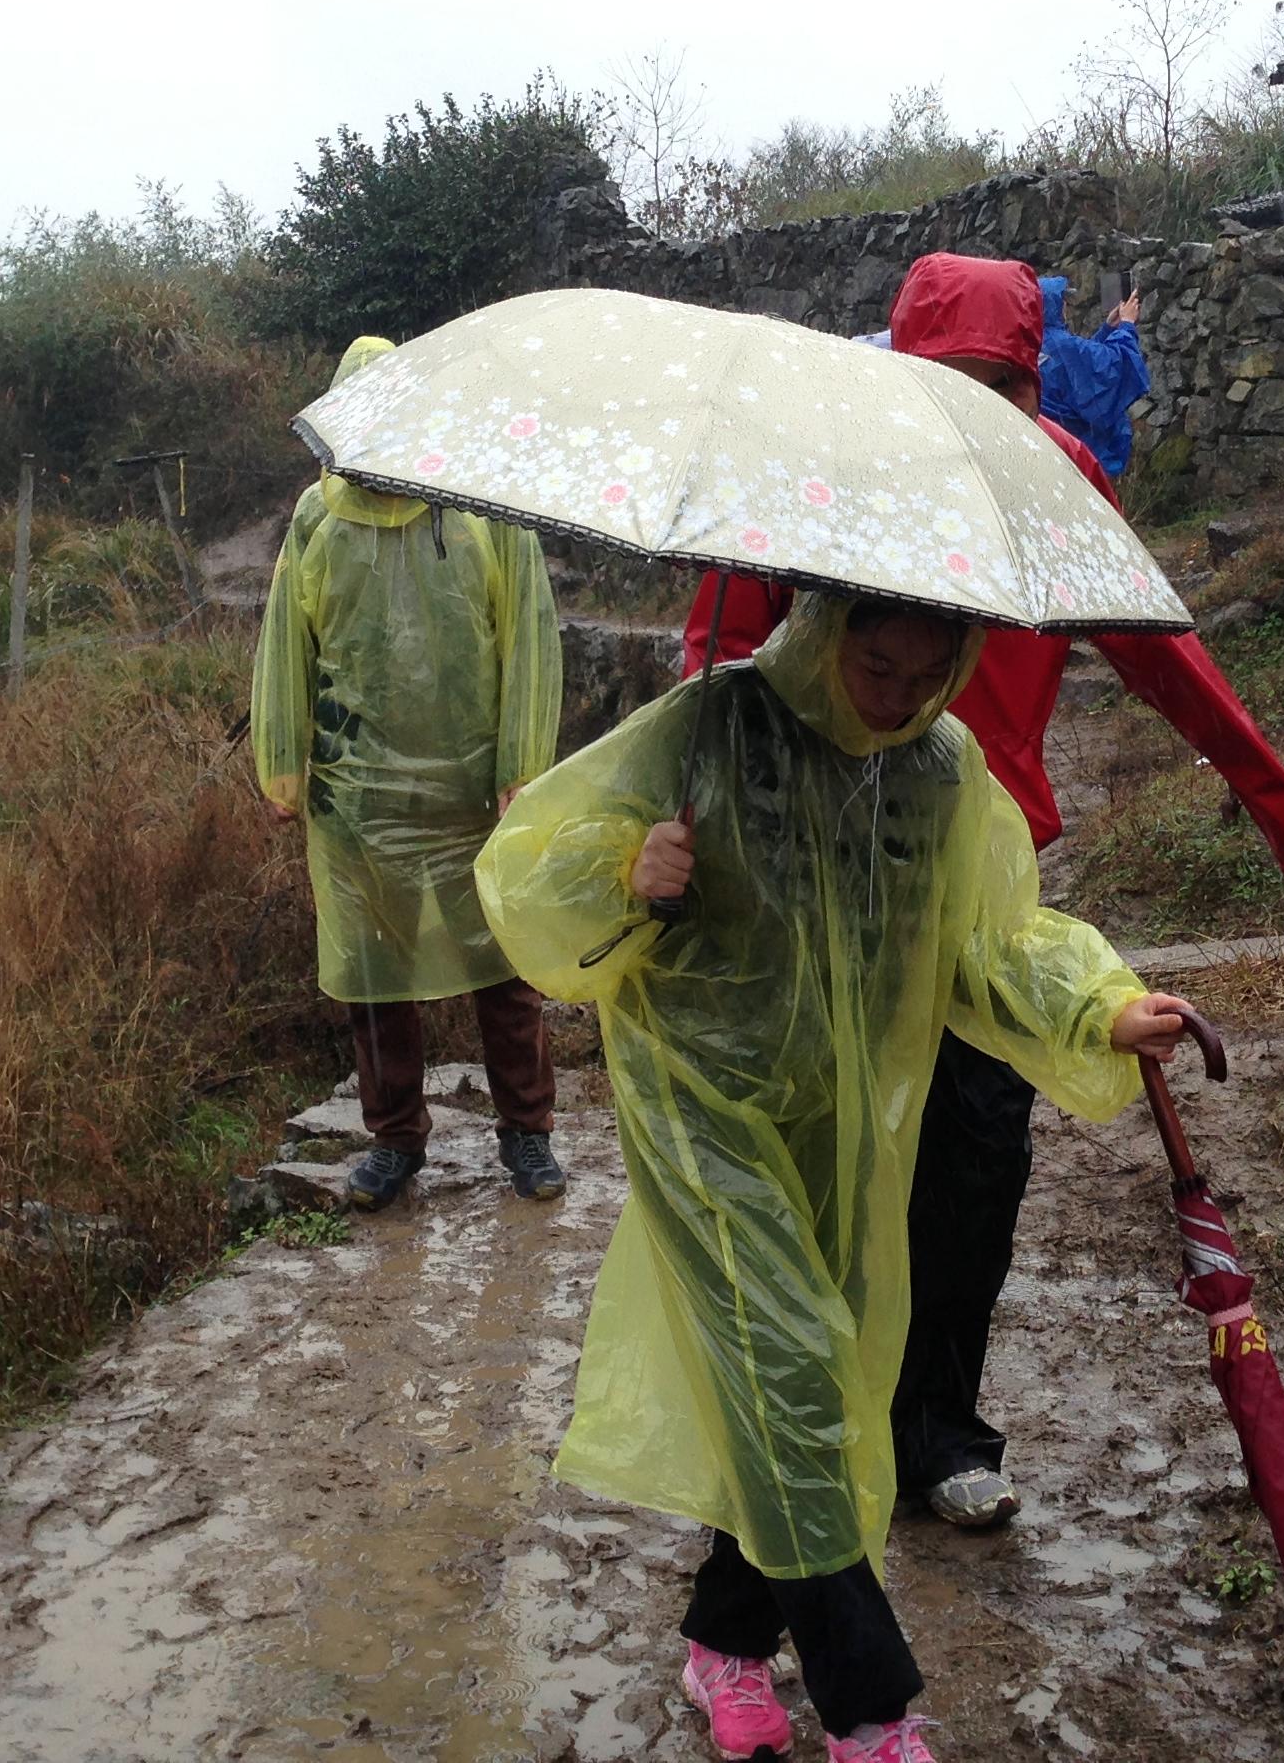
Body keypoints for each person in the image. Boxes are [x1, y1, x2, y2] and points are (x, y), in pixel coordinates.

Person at [477, 591, 1200, 1763]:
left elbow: (992, 940)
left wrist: (1103, 1004)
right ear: (825, 637)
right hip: (702, 1106)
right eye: (875, 665)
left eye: (929, 673)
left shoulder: (943, 766)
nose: (899, 696)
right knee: (796, 1372)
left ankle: (726, 1639)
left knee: (801, 1384)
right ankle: (870, 1709)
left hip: (853, 1126)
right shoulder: (708, 728)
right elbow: (527, 874)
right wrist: (630, 870)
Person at [685, 253, 1284, 1530]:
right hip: (823, 874)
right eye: (949, 382)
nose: (971, 409)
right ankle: (808, 1436)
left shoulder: (1060, 478)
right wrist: (697, 821)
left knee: (972, 1169)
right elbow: (719, 654)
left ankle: (937, 1435)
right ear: (901, 368)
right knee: (823, 1165)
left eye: (999, 385)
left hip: (987, 896)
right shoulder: (824, 476)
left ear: (1031, 385)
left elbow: (1161, 649)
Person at [252, 334, 569, 1210]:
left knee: (502, 968)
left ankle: (528, 1134)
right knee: (375, 979)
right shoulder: (319, 520)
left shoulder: (483, 507)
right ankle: (395, 1140)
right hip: (359, 797)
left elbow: (530, 639)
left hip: (472, 796)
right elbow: (287, 642)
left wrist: (522, 768)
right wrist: (283, 765)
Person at [1034, 272, 1150, 477]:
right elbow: (1112, 366)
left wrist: (1107, 329)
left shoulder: (1034, 341)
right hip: (1076, 454)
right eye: (1063, 301)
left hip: (1046, 445)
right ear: (1054, 306)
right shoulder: (1063, 345)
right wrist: (1127, 325)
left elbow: (1079, 368)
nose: (1066, 307)